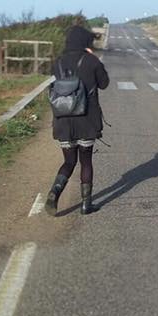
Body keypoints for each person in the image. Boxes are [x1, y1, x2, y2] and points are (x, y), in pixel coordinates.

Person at [45, 25, 110, 216]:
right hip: (86, 120)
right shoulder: (91, 61)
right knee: (86, 162)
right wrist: (93, 59)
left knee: (69, 161)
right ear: (84, 42)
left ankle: (54, 193)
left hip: (63, 121)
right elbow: (104, 84)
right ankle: (86, 205)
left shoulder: (58, 62)